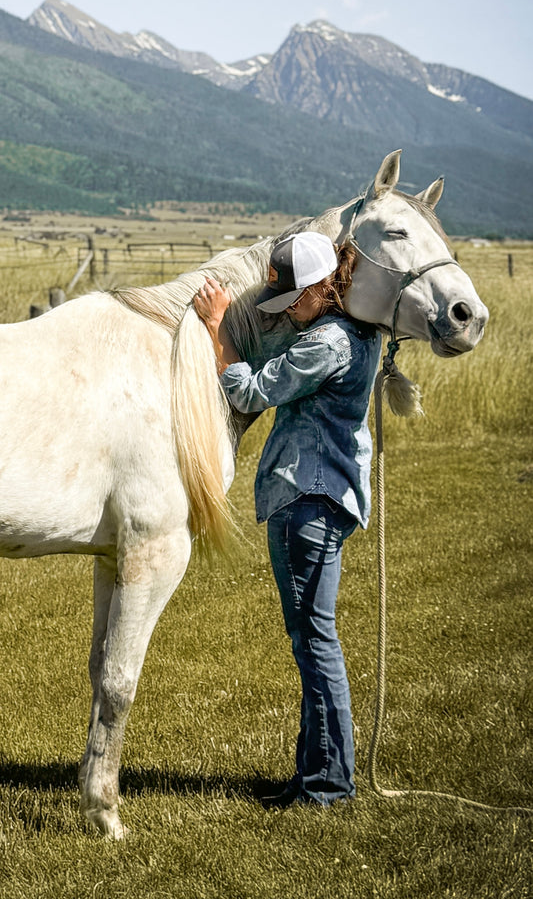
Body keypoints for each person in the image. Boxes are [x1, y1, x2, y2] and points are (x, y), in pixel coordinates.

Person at [193, 231, 382, 807]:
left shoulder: (325, 344)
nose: (287, 312)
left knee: (315, 641)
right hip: (323, 498)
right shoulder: (357, 333)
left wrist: (218, 329)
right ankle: (316, 775)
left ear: (321, 286)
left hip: (306, 497)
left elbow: (251, 393)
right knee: (313, 638)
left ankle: (327, 785)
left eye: (292, 299)